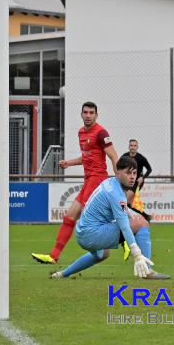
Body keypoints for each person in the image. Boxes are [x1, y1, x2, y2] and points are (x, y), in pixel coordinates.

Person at [51, 156, 170, 280]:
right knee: (141, 223)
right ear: (118, 173)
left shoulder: (110, 182)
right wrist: (137, 254)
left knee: (102, 254)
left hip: (83, 232)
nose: (132, 177)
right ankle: (147, 271)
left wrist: (131, 215)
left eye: (134, 173)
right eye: (128, 173)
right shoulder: (116, 194)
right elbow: (124, 226)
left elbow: (121, 210)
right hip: (92, 234)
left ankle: (63, 274)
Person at [31, 102, 118, 264]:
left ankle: (119, 239)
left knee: (88, 219)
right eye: (85, 112)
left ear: (96, 115)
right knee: (70, 217)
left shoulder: (101, 133)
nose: (88, 115)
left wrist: (119, 178)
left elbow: (113, 156)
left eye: (91, 112)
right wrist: (69, 163)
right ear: (81, 114)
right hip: (88, 181)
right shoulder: (81, 133)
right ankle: (54, 256)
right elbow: (86, 157)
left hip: (98, 180)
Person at [121, 139, 152, 203]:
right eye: (131, 145)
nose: (133, 147)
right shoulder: (124, 156)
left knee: (125, 199)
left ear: (137, 147)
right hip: (126, 181)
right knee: (127, 202)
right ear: (129, 147)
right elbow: (118, 167)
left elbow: (149, 169)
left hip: (137, 182)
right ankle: (143, 213)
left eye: (135, 146)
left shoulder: (141, 158)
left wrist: (142, 178)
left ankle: (122, 211)